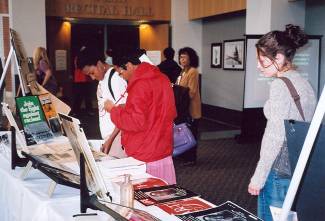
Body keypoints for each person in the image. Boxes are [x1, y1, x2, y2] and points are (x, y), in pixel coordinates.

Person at [248, 24, 316, 221]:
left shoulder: (280, 85)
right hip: (297, 164)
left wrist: (258, 177)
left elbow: (274, 136)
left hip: (279, 167)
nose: (258, 66)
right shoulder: (303, 82)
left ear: (278, 57)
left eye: (262, 61)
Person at [103, 52, 177, 184]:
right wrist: (128, 106)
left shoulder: (139, 85)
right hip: (162, 149)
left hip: (146, 153)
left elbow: (135, 122)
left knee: (148, 197)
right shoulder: (162, 78)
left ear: (129, 65)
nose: (121, 76)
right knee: (164, 194)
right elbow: (161, 109)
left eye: (120, 72)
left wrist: (113, 110)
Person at [77, 47, 127, 158]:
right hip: (109, 138)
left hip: (117, 139)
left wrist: (111, 139)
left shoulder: (115, 78)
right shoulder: (102, 80)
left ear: (99, 64)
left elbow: (124, 113)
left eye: (92, 73)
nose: (92, 77)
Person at [176, 47, 201, 166]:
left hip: (191, 108)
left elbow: (191, 92)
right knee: (184, 132)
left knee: (191, 133)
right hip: (183, 108)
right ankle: (185, 155)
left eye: (184, 57)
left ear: (191, 58)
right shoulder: (182, 71)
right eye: (180, 57)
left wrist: (178, 92)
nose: (182, 59)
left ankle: (191, 158)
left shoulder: (193, 71)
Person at [72, 51, 94, 116]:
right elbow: (78, 66)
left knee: (87, 96)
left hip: (85, 79)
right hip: (80, 79)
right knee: (79, 96)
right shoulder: (79, 57)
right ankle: (76, 111)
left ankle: (87, 110)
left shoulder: (82, 56)